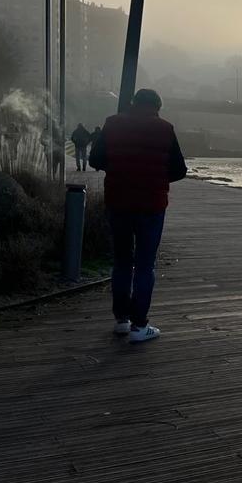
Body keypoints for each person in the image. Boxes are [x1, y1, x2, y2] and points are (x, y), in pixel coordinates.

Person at [89, 89, 188, 343]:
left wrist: (119, 169)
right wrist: (156, 177)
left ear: (133, 103)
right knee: (145, 265)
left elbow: (95, 159)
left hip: (118, 201)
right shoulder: (165, 129)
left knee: (122, 261)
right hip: (151, 204)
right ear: (157, 106)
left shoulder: (112, 124)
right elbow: (179, 169)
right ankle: (139, 326)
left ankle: (121, 320)